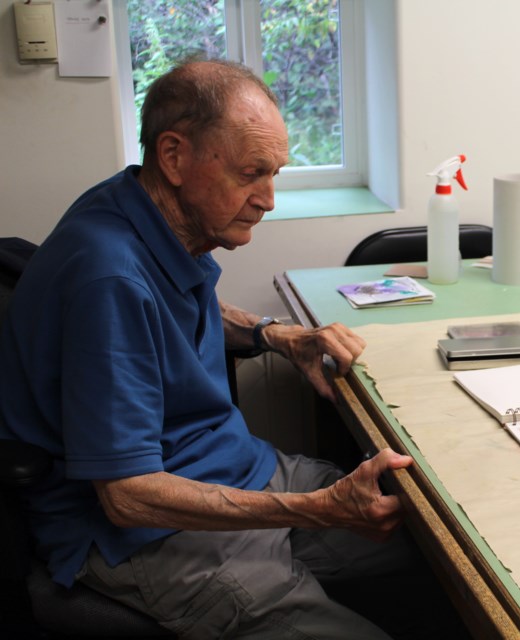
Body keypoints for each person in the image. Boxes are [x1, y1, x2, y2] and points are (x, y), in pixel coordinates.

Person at [0, 59, 464, 639]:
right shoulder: (107, 276)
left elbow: (166, 308)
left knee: (451, 545)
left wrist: (273, 334)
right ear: (174, 156)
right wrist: (316, 509)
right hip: (150, 533)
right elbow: (127, 497)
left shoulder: (142, 209)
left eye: (275, 173)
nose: (268, 198)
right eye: (251, 173)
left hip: (235, 471)